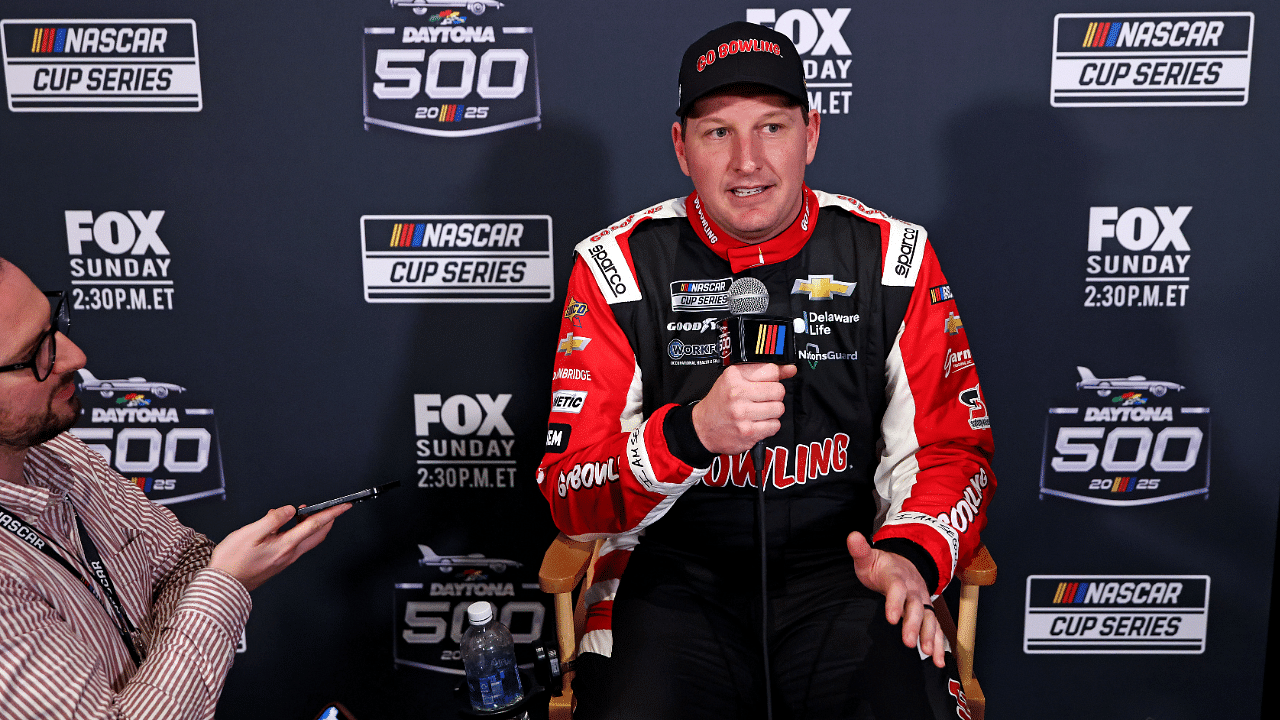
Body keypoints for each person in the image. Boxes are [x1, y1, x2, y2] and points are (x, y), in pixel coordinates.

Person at [537, 21, 995, 720]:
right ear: (680, 148)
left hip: (848, 570)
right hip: (672, 579)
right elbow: (570, 491)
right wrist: (687, 435)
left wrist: (910, 556)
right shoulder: (616, 265)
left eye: (772, 127)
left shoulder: (894, 256)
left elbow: (950, 449)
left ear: (811, 133)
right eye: (718, 132)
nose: (747, 162)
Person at [0, 257, 349, 717]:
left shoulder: (64, 455)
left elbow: (185, 559)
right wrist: (225, 584)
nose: (75, 357)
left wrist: (151, 685)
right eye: (35, 354)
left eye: (54, 324)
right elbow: (207, 576)